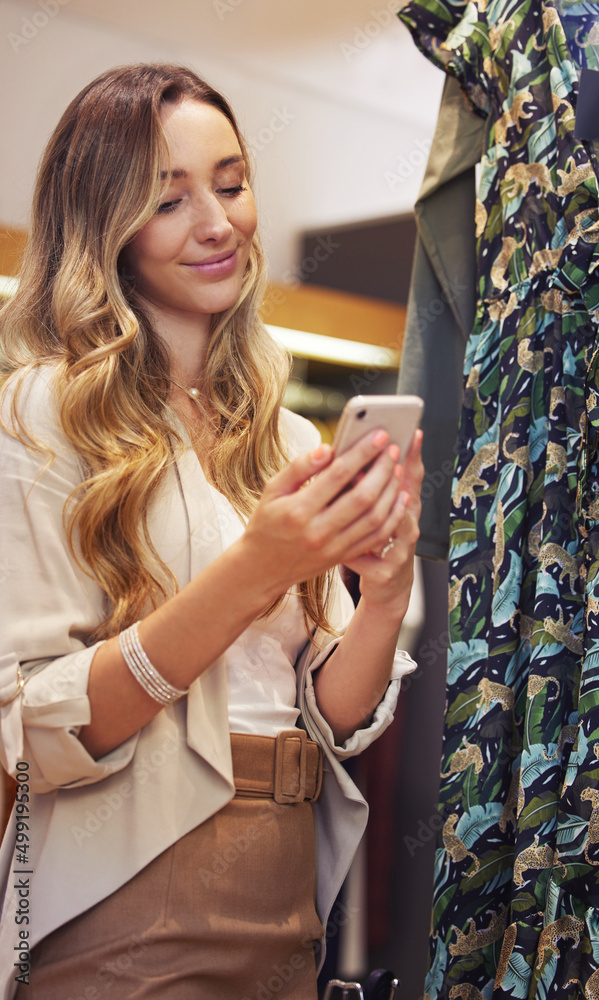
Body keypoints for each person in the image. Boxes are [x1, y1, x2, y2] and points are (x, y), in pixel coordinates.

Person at [0, 63, 422, 1000]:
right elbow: (31, 726)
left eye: (231, 185)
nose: (217, 223)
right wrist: (257, 567)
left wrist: (384, 588)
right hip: (125, 878)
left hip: (288, 881)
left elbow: (329, 714)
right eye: (168, 201)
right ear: (101, 227)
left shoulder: (285, 436)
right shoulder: (41, 415)